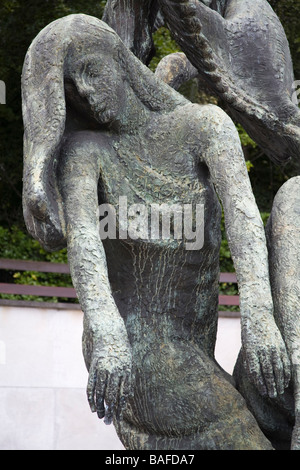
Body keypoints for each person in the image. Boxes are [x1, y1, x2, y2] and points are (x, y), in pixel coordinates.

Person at [22, 14, 294, 449]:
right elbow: (85, 248)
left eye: (92, 72)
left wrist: (259, 319)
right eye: (73, 90)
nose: (88, 95)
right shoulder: (86, 152)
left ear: (120, 61)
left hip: (193, 348)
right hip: (134, 349)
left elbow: (245, 219)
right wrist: (108, 336)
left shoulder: (203, 127)